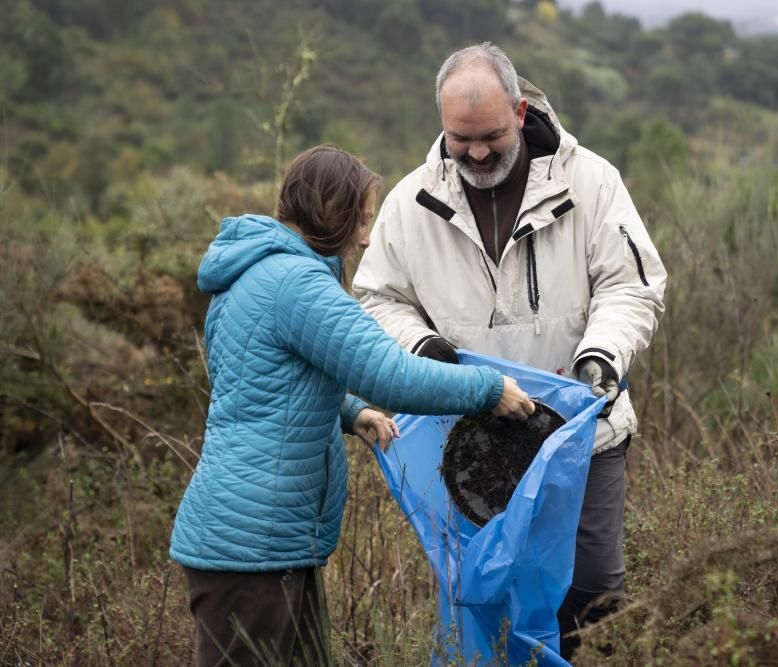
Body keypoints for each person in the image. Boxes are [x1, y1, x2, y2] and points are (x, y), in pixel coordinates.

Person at [352, 43, 667, 658]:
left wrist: (599, 357)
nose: (474, 153)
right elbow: (375, 299)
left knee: (593, 589)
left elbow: (632, 285)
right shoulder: (411, 204)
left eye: (490, 136)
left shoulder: (593, 184)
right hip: (466, 442)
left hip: (583, 434)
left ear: (520, 112)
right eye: (458, 138)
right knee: (488, 592)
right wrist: (424, 347)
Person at [169, 144, 535, 666]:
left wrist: (351, 411)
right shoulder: (297, 286)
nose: (365, 237)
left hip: (261, 542)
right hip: (253, 549)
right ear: (331, 212)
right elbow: (392, 375)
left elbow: (267, 379)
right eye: (361, 221)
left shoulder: (252, 277)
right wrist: (487, 387)